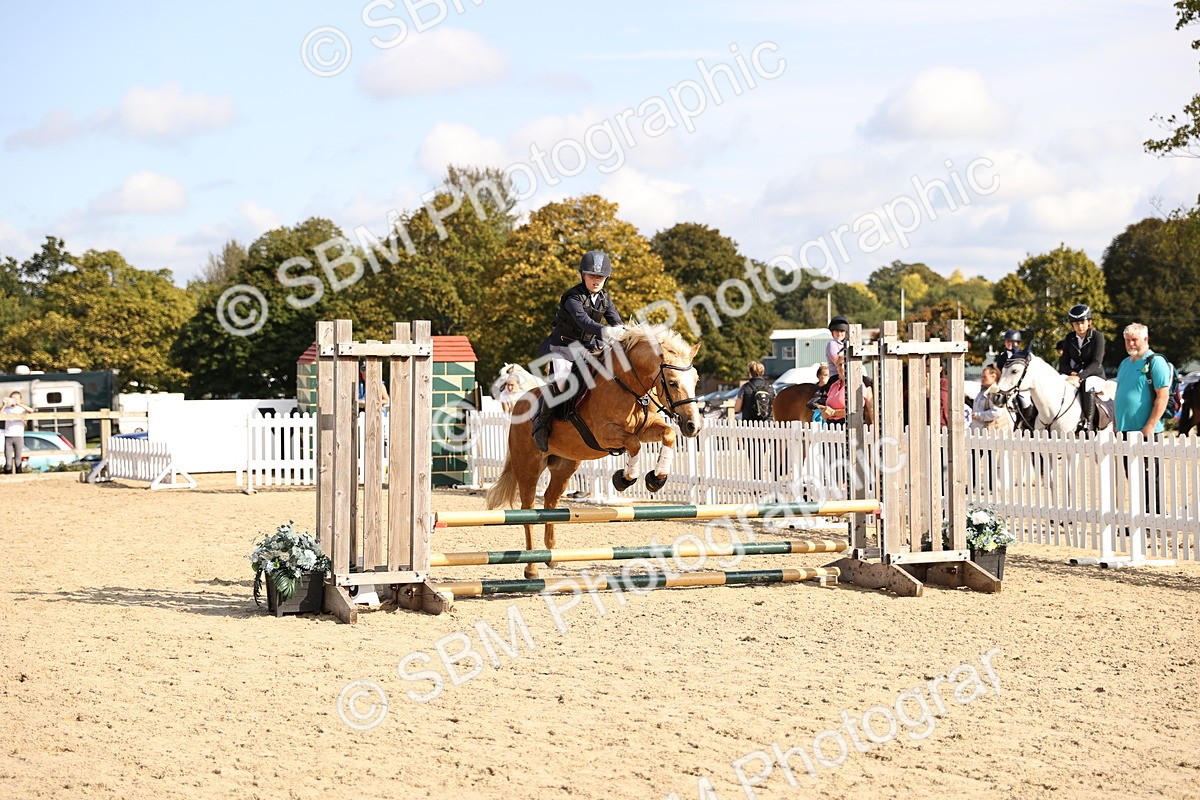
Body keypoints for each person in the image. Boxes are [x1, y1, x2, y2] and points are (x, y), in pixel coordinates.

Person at [531, 250, 625, 452]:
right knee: (562, 383)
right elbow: (584, 322)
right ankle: (541, 423)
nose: (596, 280)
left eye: (600, 277)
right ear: (583, 275)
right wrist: (607, 331)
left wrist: (626, 333)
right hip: (563, 347)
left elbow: (616, 320)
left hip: (588, 348)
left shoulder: (605, 299)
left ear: (606, 278)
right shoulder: (573, 297)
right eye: (592, 276)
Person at [1115, 322, 1170, 516]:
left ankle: (1154, 519)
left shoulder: (1155, 362)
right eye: (1127, 340)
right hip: (1124, 431)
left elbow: (1163, 396)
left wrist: (1150, 425)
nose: (1131, 344)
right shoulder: (1124, 363)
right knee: (1133, 476)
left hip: (1146, 430)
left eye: (1134, 340)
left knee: (1150, 477)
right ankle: (1139, 517)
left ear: (1145, 339)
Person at [1057, 304, 1107, 433]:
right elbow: (1064, 363)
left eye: (1082, 322)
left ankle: (1088, 423)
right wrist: (1071, 373)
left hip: (1094, 375)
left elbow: (1096, 362)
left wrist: (1080, 376)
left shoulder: (1097, 337)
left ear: (1089, 322)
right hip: (1076, 374)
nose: (1080, 326)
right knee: (1059, 381)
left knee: (1087, 383)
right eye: (1076, 324)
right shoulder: (1069, 338)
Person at [995, 329, 1035, 428]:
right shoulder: (1001, 357)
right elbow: (999, 371)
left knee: (1026, 401)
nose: (1009, 344)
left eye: (1012, 342)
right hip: (1005, 385)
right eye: (1008, 341)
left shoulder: (1023, 355)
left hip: (1019, 385)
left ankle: (1025, 423)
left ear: (1018, 343)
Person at [3, 391, 34, 474]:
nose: (14, 400)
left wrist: (19, 403)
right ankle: (7, 476)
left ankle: (19, 475)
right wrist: (5, 404)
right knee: (8, 462)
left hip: (18, 436)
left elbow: (31, 410)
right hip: (8, 436)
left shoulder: (21, 409)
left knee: (18, 460)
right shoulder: (7, 410)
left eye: (16, 399)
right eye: (12, 398)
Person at [823, 316, 849, 387]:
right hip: (836, 376)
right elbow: (838, 363)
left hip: (850, 374)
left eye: (842, 331)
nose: (839, 334)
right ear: (832, 332)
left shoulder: (848, 344)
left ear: (846, 332)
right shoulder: (832, 344)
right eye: (837, 331)